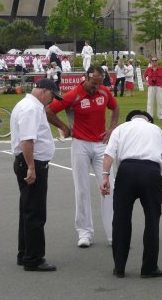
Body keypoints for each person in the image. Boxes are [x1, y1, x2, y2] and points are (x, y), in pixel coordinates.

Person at [46, 66, 119, 248]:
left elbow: (115, 108)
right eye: (94, 83)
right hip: (81, 145)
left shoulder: (103, 92)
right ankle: (85, 232)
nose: (96, 87)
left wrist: (112, 128)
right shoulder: (73, 95)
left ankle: (113, 233)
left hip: (102, 146)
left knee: (109, 188)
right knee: (82, 189)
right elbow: (49, 111)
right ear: (85, 78)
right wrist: (64, 127)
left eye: (100, 83)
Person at [99, 110, 162, 278]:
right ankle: (149, 268)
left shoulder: (121, 128)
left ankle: (119, 267)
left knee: (120, 220)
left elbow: (108, 154)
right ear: (148, 120)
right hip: (151, 172)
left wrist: (105, 177)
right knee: (152, 220)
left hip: (126, 171)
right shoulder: (158, 131)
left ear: (130, 119)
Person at [11, 78, 66, 272]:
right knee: (35, 212)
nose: (52, 101)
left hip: (27, 162)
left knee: (27, 209)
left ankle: (25, 252)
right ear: (43, 91)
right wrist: (31, 167)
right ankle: (34, 258)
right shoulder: (32, 108)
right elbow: (27, 140)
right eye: (52, 96)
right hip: (32, 164)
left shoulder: (27, 105)